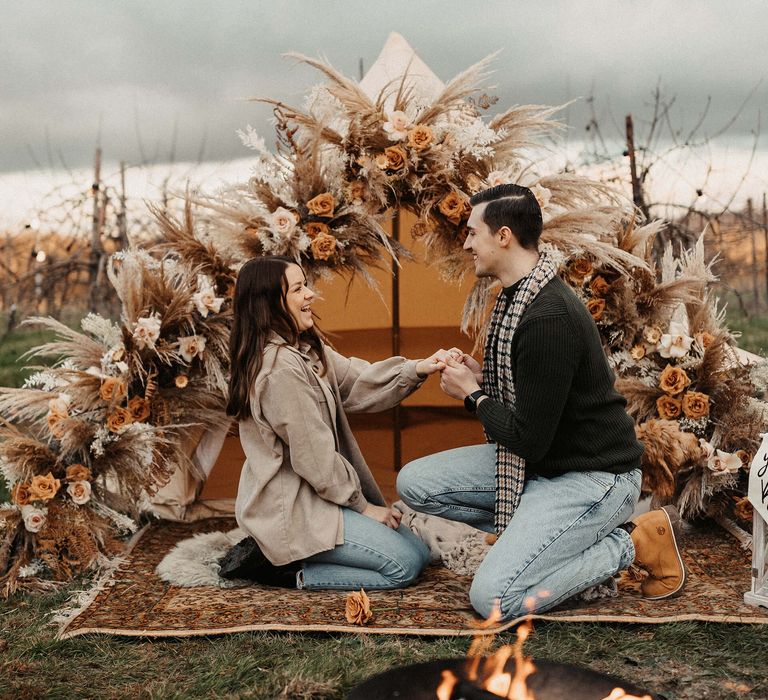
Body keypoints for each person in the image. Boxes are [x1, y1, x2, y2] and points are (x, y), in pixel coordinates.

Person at [397, 184, 687, 621]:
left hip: (590, 475)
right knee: (414, 483)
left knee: (492, 600)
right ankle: (534, 537)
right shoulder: (518, 296)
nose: (466, 242)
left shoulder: (547, 316)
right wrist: (482, 376)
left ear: (503, 235)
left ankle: (630, 542)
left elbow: (528, 440)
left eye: (473, 232)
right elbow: (532, 394)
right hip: (541, 465)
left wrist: (473, 397)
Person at [221, 255, 444, 590]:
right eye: (298, 289)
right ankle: (284, 569)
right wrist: (364, 507)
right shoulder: (280, 369)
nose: (310, 294)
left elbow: (358, 380)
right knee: (404, 565)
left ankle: (299, 554)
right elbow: (315, 457)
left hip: (322, 497)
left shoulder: (305, 350)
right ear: (270, 304)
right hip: (295, 511)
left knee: (418, 550)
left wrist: (418, 368)